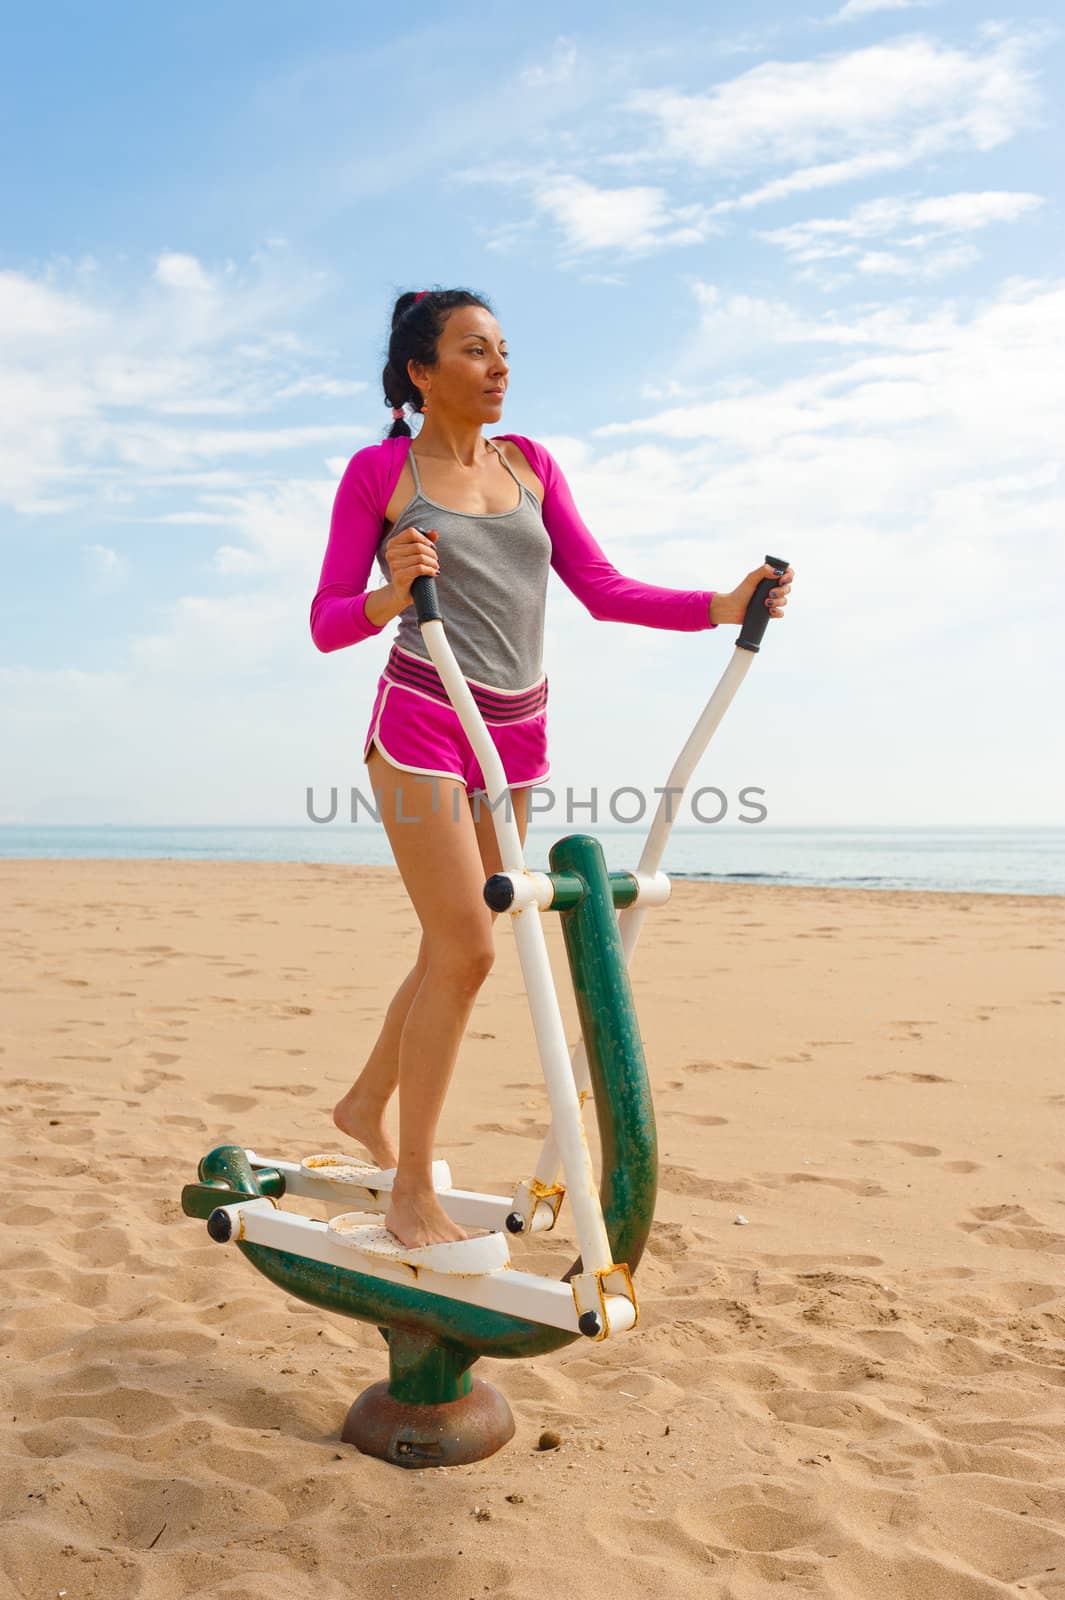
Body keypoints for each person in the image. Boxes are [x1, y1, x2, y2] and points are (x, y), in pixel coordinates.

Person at [309, 287, 794, 1248]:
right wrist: (388, 593)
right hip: (422, 720)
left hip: (517, 734)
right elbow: (327, 621)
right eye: (473, 351)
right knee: (472, 950)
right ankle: (411, 1190)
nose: (498, 367)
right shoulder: (379, 475)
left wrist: (720, 602)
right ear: (420, 370)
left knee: (454, 937)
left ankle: (365, 1102)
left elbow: (602, 590)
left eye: (502, 350)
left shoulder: (531, 465)